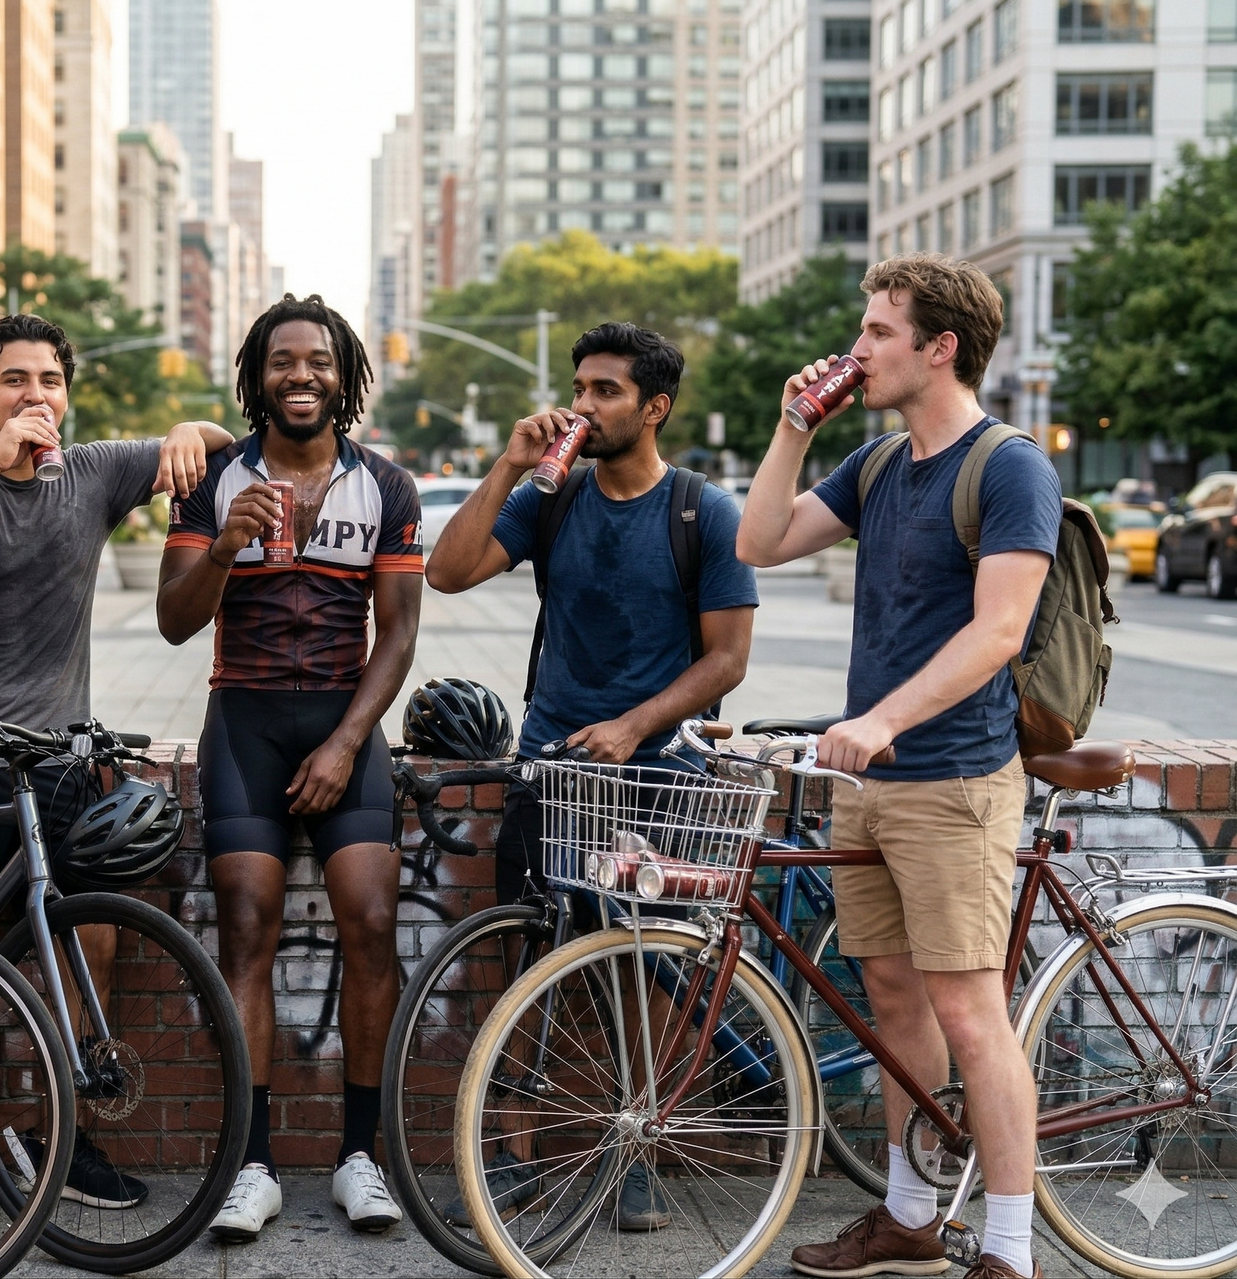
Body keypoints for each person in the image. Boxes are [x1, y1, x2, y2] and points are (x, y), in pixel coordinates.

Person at [737, 253, 1063, 1279]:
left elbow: (999, 631)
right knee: (891, 998)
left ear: (939, 346)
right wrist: (795, 427)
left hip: (955, 780)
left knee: (968, 1008)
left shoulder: (1007, 465)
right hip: (868, 782)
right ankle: (912, 1218)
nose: (857, 348)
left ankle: (1010, 1249)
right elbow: (759, 539)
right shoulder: (878, 464)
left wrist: (881, 718)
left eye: (878, 331)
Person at [0, 311, 233, 1227]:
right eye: (15, 381)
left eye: (49, 382)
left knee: (93, 937)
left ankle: (68, 1139)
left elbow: (219, 448)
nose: (36, 397)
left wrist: (191, 433)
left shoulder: (96, 471)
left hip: (61, 761)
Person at [424, 320, 758, 1230]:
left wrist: (635, 725)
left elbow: (727, 659)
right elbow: (446, 573)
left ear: (655, 406)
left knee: (641, 966)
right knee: (529, 951)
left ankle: (637, 1150)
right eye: (579, 387)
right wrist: (507, 464)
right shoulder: (554, 498)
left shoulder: (703, 512)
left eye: (606, 390)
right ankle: (511, 1156)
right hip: (549, 766)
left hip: (656, 774)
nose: (583, 404)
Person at [156, 294, 423, 1243]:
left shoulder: (384, 485)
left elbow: (397, 637)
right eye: (282, 361)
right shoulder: (215, 479)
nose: (299, 375)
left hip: (344, 723)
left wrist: (348, 742)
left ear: (344, 375)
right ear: (257, 375)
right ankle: (252, 1164)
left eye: (318, 361)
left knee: (374, 922)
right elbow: (175, 620)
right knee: (246, 932)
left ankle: (364, 1156)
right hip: (246, 723)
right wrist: (225, 545)